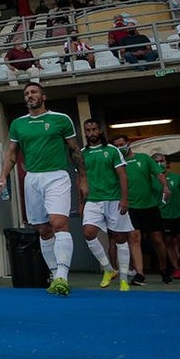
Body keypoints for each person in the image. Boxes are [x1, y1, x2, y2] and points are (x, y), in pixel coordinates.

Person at [0, 82, 87, 296]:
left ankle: (63, 277)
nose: (30, 96)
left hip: (57, 175)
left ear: (43, 96)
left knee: (58, 223)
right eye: (26, 93)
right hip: (32, 179)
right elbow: (11, 153)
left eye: (34, 92)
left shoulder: (61, 119)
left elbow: (74, 150)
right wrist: (2, 176)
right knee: (43, 229)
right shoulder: (18, 124)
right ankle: (55, 276)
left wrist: (83, 178)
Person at [110, 134, 170, 284]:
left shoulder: (144, 158)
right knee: (134, 239)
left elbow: (159, 173)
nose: (119, 148)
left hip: (150, 206)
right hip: (131, 207)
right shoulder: (116, 164)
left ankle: (164, 268)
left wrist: (165, 187)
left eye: (121, 144)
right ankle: (140, 274)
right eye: (116, 146)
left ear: (128, 144)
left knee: (157, 239)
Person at [79, 120, 131, 291]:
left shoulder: (112, 150)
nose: (92, 132)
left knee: (120, 237)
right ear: (85, 133)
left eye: (94, 129)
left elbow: (123, 176)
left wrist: (124, 199)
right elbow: (80, 179)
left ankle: (123, 277)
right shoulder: (81, 154)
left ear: (100, 131)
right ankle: (108, 269)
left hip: (114, 199)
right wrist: (80, 202)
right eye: (88, 130)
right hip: (93, 200)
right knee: (88, 232)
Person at [152, 153, 180, 279]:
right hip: (163, 215)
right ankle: (176, 268)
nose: (160, 164)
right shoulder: (151, 180)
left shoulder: (177, 177)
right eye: (156, 162)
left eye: (162, 161)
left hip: (179, 213)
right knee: (168, 241)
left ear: (166, 162)